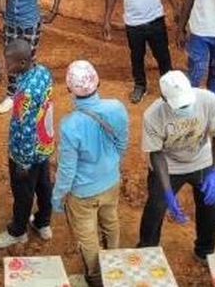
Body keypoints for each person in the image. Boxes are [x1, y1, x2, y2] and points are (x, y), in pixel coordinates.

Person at [52, 61, 129, 287]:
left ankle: (95, 278)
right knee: (111, 221)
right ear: (98, 82)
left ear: (69, 89)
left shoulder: (69, 125)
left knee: (87, 237)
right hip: (111, 180)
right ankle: (113, 263)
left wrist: (57, 197)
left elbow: (67, 170)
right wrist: (111, 166)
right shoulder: (116, 107)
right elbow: (122, 143)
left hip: (83, 193)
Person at [138, 70, 215, 263]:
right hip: (168, 165)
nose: (185, 106)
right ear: (163, 97)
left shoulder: (208, 100)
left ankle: (205, 251)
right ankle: (147, 252)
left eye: (187, 101)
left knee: (211, 205)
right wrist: (167, 192)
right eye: (180, 104)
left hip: (201, 160)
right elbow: (157, 153)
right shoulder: (153, 115)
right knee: (156, 207)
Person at [0, 39, 56, 248]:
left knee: (23, 193)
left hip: (25, 153)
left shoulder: (25, 92)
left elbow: (26, 129)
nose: (5, 66)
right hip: (44, 145)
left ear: (22, 62)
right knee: (44, 186)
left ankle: (18, 231)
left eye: (8, 62)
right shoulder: (43, 72)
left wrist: (23, 163)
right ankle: (43, 223)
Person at [103, 0, 177, 104]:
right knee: (137, 57)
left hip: (156, 18)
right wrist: (106, 20)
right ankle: (140, 86)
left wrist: (175, 6)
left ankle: (170, 88)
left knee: (163, 55)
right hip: (133, 24)